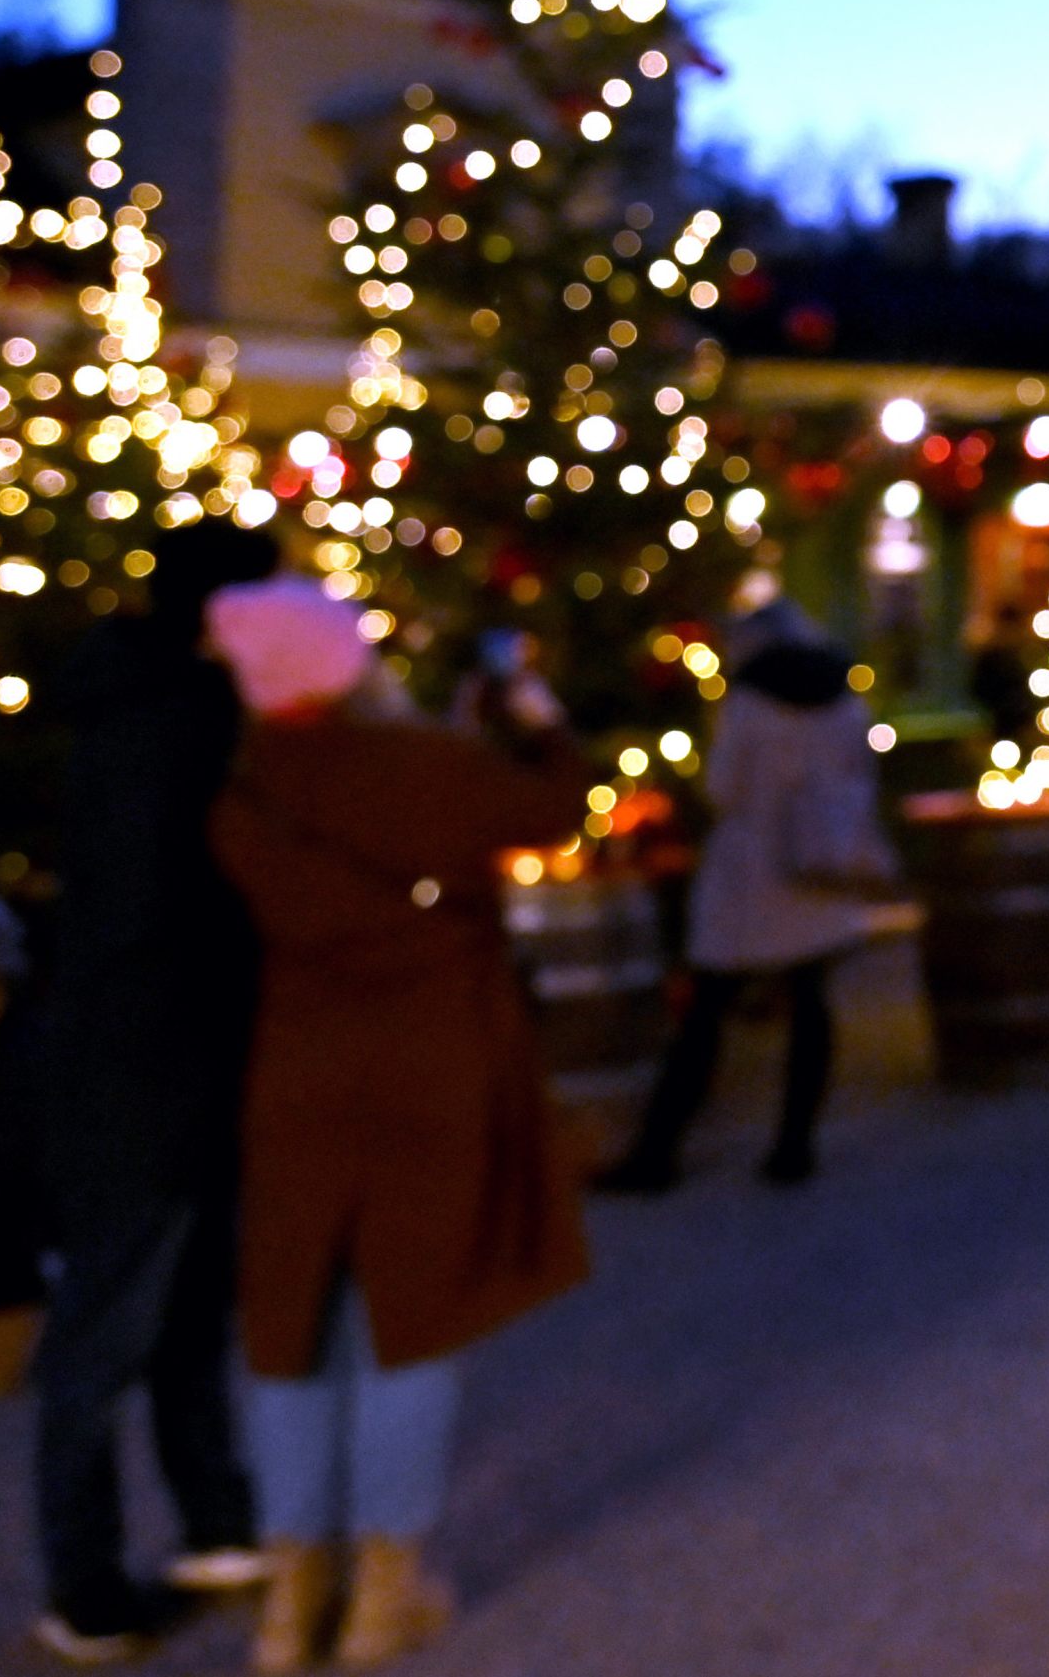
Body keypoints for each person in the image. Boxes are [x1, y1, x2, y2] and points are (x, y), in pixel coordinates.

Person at [205, 577, 591, 1671]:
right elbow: (552, 806)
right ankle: (381, 1593)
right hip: (434, 1064)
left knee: (289, 1334)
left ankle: (290, 1604)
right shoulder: (432, 769)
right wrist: (539, 724)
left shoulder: (243, 787)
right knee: (408, 1324)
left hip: (301, 1068)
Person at [26, 521, 280, 1664]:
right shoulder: (180, 724)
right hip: (145, 1058)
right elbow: (154, 910)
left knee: (181, 1298)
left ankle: (214, 1520)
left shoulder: (140, 706)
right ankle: (82, 1583)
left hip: (145, 1048)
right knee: (110, 1321)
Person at [597, 599, 893, 1194]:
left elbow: (723, 788)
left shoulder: (749, 703)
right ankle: (794, 1146)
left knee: (706, 1008)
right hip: (820, 869)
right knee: (811, 1003)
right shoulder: (844, 698)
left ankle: (658, 1151)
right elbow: (862, 773)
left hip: (750, 876)